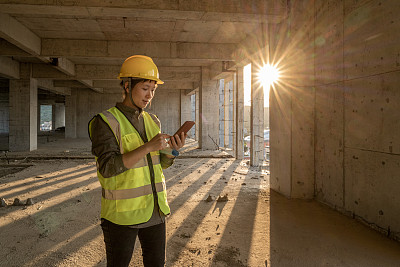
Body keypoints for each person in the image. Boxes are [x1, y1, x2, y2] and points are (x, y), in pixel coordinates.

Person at [88, 55, 186, 267]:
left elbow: (159, 164)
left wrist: (171, 151)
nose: (150, 95)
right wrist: (148, 146)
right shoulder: (105, 122)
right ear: (126, 85)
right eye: (144, 88)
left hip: (155, 211)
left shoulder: (152, 120)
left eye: (153, 89)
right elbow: (107, 168)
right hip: (122, 216)